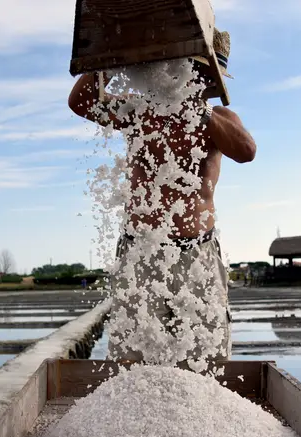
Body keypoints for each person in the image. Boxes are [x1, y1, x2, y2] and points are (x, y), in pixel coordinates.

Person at [68, 28, 256, 365]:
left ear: (207, 75)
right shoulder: (140, 112)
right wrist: (114, 55)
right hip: (141, 249)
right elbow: (81, 102)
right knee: (132, 355)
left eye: (198, 71)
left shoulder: (218, 119)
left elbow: (246, 150)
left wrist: (199, 111)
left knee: (207, 355)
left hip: (197, 250)